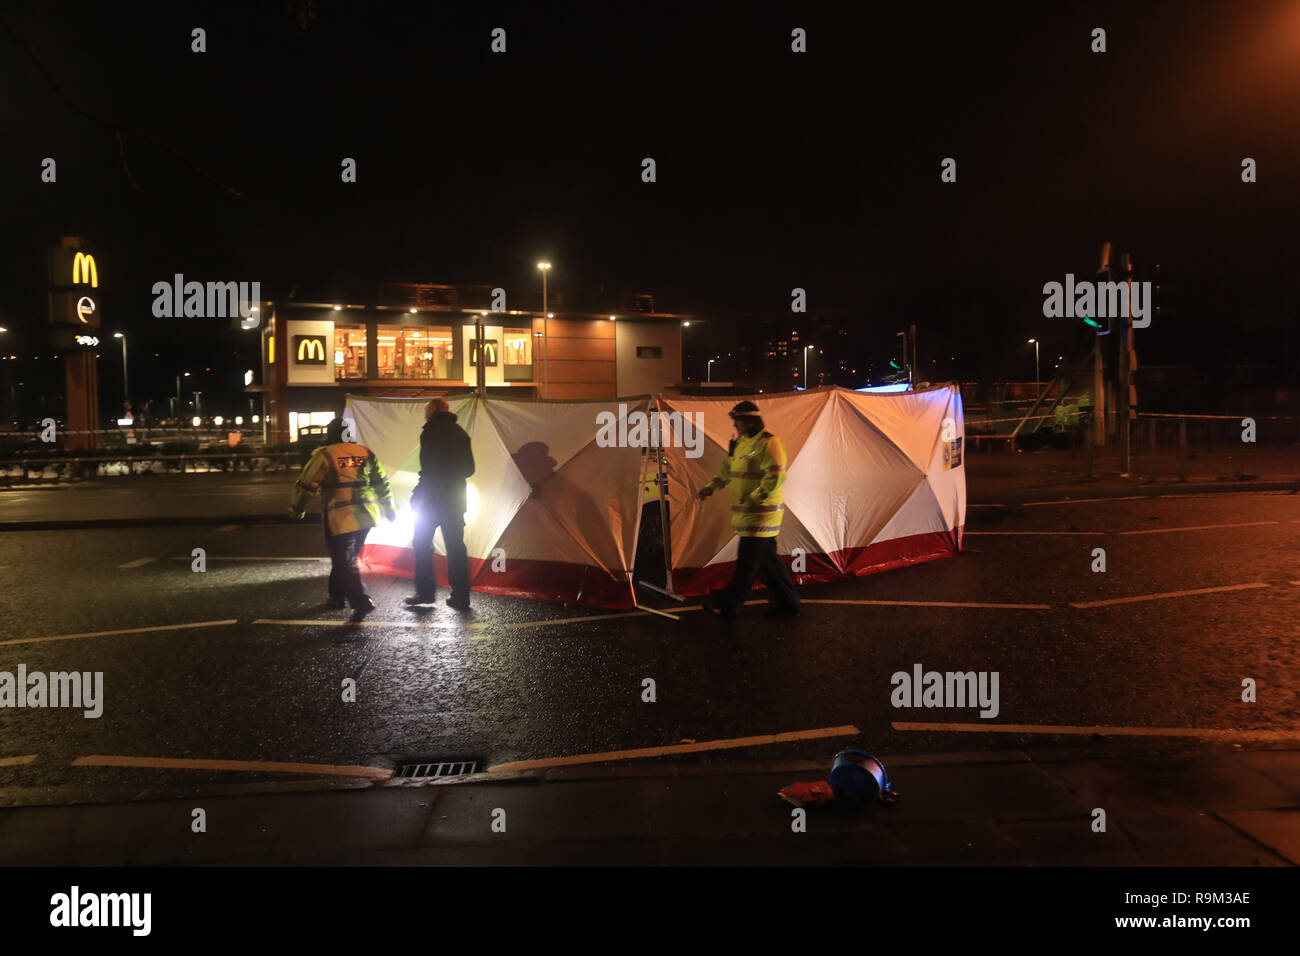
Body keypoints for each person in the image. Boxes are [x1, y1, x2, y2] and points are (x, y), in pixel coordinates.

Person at [697, 400, 801, 621]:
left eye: (738, 421)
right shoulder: (741, 442)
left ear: (750, 421)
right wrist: (711, 487)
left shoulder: (769, 443)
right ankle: (788, 602)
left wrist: (754, 498)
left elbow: (775, 476)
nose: (735, 426)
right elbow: (728, 471)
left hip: (762, 514)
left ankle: (728, 605)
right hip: (748, 514)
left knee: (747, 564)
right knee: (768, 562)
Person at [289, 417, 397, 619]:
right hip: (366, 516)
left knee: (344, 560)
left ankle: (361, 600)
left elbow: (306, 486)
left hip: (340, 517)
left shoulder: (326, 455)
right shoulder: (365, 452)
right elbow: (382, 483)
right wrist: (389, 508)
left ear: (330, 434)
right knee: (345, 559)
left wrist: (297, 508)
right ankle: (337, 596)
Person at [406, 397, 475, 610]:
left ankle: (425, 592)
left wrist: (418, 494)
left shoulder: (430, 432)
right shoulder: (461, 433)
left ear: (433, 411)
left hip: (432, 500)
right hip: (454, 499)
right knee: (455, 547)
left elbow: (428, 468)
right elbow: (469, 469)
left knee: (421, 542)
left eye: (427, 411)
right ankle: (461, 596)